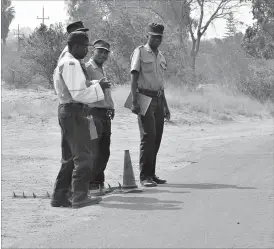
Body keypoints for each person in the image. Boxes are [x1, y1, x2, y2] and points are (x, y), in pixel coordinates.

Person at [51, 31, 111, 209]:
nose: (86, 51)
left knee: (69, 158)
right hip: (74, 112)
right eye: (85, 47)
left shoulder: (66, 61)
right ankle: (79, 197)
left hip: (68, 111)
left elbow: (76, 88)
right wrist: (98, 87)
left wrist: (94, 85)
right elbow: (79, 94)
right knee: (84, 156)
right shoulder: (71, 63)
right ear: (76, 46)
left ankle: (59, 197)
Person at [130, 23, 171, 187]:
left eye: (159, 37)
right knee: (148, 137)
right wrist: (134, 100)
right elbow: (133, 77)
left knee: (157, 137)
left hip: (159, 99)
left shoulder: (161, 56)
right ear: (147, 36)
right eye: (154, 36)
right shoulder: (139, 52)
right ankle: (144, 176)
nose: (157, 39)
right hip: (143, 97)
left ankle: (152, 174)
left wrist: (166, 106)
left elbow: (161, 83)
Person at [85, 39, 114, 195]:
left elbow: (106, 92)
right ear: (93, 51)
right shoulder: (87, 67)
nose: (103, 54)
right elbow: (83, 86)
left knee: (104, 151)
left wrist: (111, 106)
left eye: (106, 52)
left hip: (104, 114)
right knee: (94, 150)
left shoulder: (102, 69)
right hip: (92, 113)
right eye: (100, 51)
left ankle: (98, 182)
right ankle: (90, 184)